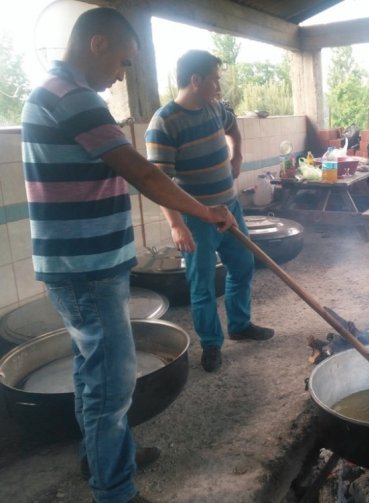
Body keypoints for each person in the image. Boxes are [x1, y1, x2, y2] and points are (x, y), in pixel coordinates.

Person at [20, 8, 236, 503]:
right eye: (122, 61)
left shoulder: (57, 94)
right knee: (111, 386)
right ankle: (114, 490)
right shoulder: (73, 99)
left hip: (83, 265)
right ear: (97, 44)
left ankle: (101, 455)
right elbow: (145, 174)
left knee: (90, 372)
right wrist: (203, 212)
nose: (121, 74)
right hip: (86, 270)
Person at [145, 50, 274, 374]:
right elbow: (159, 183)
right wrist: (176, 225)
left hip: (229, 207)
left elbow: (234, 130)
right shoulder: (164, 123)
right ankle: (211, 344)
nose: (219, 86)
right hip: (197, 216)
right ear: (196, 80)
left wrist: (237, 157)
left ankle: (240, 325)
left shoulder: (216, 108)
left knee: (243, 265)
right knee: (201, 283)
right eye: (215, 79)